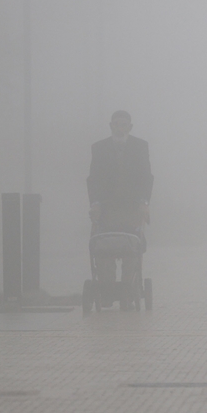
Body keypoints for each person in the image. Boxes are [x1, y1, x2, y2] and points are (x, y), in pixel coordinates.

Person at [87, 110, 153, 284]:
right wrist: (95, 203)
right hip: (106, 209)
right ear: (111, 126)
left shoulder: (140, 147)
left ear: (130, 127)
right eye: (116, 124)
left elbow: (146, 177)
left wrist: (144, 203)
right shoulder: (99, 148)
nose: (120, 128)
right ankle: (107, 287)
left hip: (132, 209)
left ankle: (128, 288)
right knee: (103, 248)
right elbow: (93, 179)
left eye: (124, 125)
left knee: (132, 249)